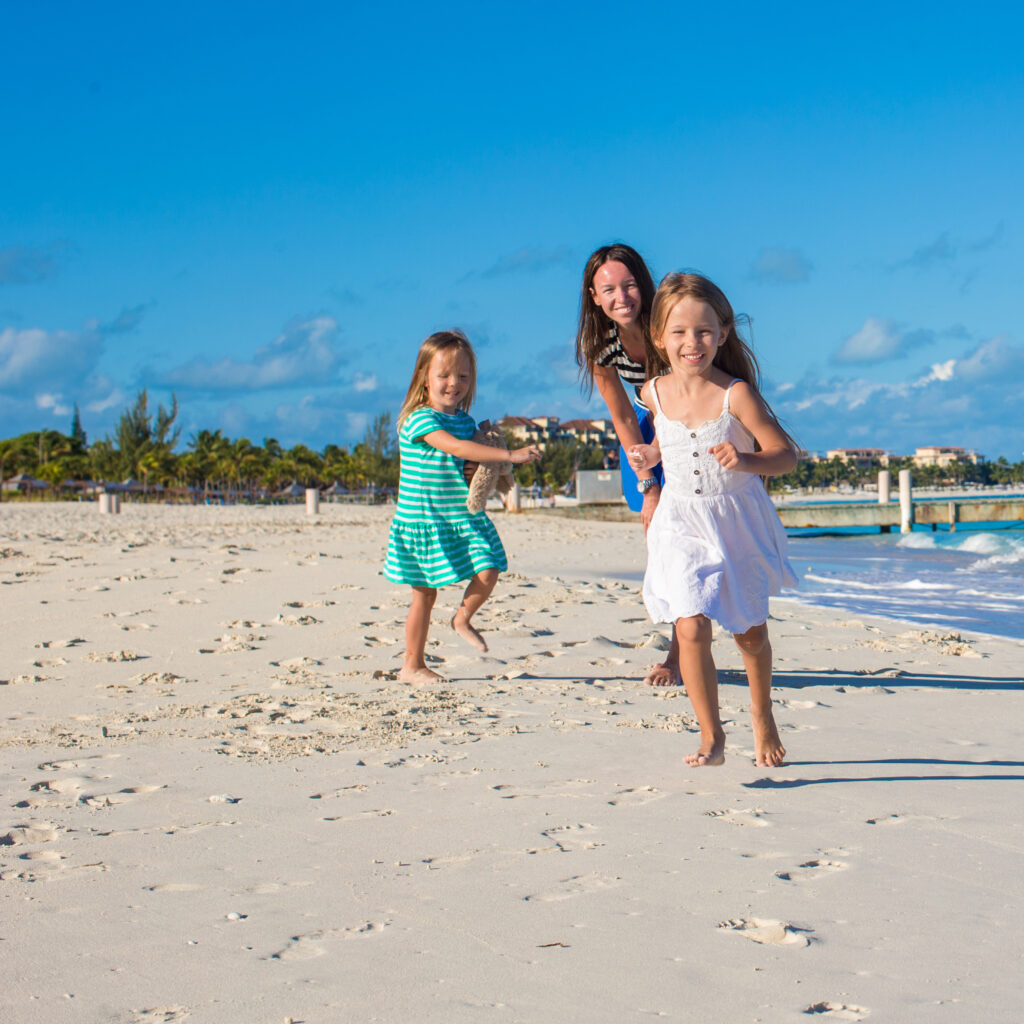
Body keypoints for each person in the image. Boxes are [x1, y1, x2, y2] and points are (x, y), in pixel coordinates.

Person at [628, 273, 797, 767]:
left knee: (750, 634)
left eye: (703, 331)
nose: (691, 342)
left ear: (722, 333)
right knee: (690, 626)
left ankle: (762, 713)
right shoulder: (653, 392)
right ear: (659, 337)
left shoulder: (735, 395)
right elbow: (667, 440)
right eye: (679, 332)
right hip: (681, 519)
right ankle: (712, 734)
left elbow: (785, 455)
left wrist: (746, 461)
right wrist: (650, 454)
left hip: (735, 521)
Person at [384, 330, 542, 686]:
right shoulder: (420, 419)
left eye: (463, 376)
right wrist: (509, 455)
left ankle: (462, 618)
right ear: (424, 379)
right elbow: (456, 449)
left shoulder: (466, 423)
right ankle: (412, 664)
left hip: (460, 517)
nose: (453, 383)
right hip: (424, 521)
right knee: (424, 593)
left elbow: (469, 459)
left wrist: (486, 442)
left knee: (490, 569)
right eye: (443, 375)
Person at [575, 243, 679, 688]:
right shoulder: (600, 345)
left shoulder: (667, 325)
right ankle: (685, 635)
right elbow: (620, 416)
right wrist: (648, 483)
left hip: (686, 418)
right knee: (657, 535)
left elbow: (683, 401)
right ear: (594, 297)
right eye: (609, 289)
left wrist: (665, 459)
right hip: (640, 427)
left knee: (685, 532)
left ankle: (680, 652)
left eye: (630, 284)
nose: (622, 297)